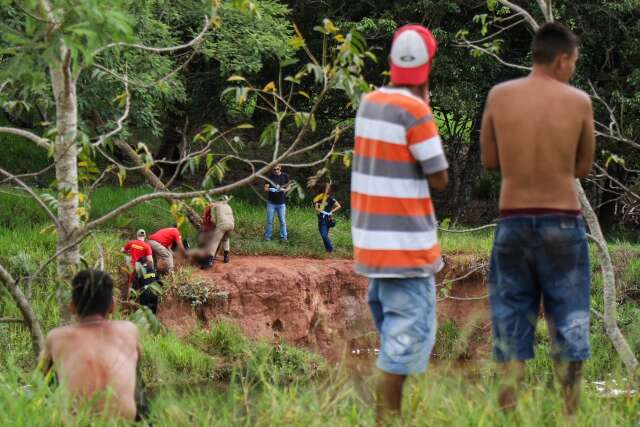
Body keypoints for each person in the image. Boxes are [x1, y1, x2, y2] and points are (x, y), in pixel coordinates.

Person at [480, 22, 595, 416]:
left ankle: (508, 414)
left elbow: (490, 161)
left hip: (512, 220)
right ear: (563, 59)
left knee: (511, 319)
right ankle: (569, 416)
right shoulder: (579, 102)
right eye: (574, 62)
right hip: (563, 220)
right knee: (570, 318)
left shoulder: (499, 95)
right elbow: (583, 166)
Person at [351, 25, 448, 424]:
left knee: (393, 338)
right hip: (408, 249)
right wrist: (422, 104)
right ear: (428, 67)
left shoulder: (368, 103)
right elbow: (439, 176)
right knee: (402, 348)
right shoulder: (417, 111)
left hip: (373, 249)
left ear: (391, 63)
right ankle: (386, 420)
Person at [38, 270, 142, 421]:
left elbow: (41, 379)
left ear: (72, 306)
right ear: (112, 306)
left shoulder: (56, 337)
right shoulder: (129, 330)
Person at [199, 196, 235, 268]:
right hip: (232, 225)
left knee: (215, 241)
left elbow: (213, 219)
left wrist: (216, 225)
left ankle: (209, 261)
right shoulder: (228, 206)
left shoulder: (214, 206)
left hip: (222, 224)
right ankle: (226, 257)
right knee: (226, 239)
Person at [263, 164, 290, 241]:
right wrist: (270, 189)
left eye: (277, 169)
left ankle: (284, 237)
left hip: (281, 203)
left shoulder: (285, 176)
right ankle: (268, 237)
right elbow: (265, 188)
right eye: (274, 169)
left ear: (280, 168)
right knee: (270, 221)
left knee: (282, 221)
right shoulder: (270, 176)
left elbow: (289, 186)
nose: (276, 171)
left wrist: (284, 190)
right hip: (271, 203)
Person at [313, 183, 342, 253]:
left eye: (328, 188)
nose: (327, 190)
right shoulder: (318, 198)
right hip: (321, 219)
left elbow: (339, 206)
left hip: (328, 219)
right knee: (324, 235)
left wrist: (331, 211)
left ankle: (330, 250)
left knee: (324, 235)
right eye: (326, 188)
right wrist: (320, 206)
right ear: (323, 189)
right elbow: (316, 209)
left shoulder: (331, 198)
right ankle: (328, 250)